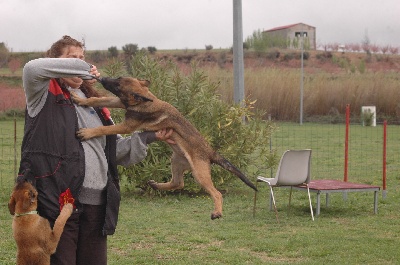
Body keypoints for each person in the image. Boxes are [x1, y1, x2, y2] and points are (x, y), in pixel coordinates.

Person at [17, 35, 173, 265]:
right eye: (72, 59)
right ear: (56, 63)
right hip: (56, 199)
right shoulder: (41, 92)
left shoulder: (94, 102)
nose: (80, 63)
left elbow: (114, 149)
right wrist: (82, 68)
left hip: (96, 204)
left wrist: (150, 136)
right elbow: (31, 67)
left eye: (82, 58)